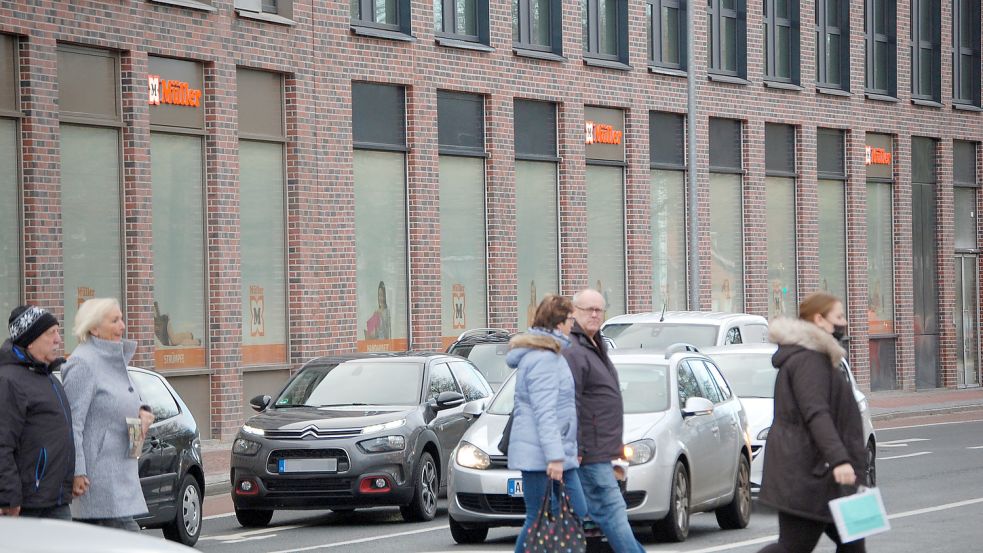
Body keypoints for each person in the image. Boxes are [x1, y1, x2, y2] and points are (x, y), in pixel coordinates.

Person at [757, 292, 867, 553]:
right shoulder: (809, 360)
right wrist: (840, 459)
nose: (844, 323)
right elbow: (816, 413)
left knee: (853, 544)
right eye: (839, 317)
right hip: (812, 475)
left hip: (827, 475)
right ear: (819, 320)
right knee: (793, 547)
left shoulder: (816, 358)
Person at [563, 289, 646, 553]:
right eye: (589, 309)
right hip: (589, 452)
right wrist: (576, 448)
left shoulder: (594, 343)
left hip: (599, 450)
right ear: (574, 311)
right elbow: (570, 401)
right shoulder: (574, 350)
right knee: (612, 514)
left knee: (601, 517)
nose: (595, 314)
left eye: (599, 309)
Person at [62, 298, 154, 531]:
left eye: (121, 319)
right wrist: (77, 471)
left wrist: (143, 412)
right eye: (114, 320)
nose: (122, 326)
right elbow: (72, 423)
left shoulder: (113, 359)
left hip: (120, 476)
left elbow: (127, 398)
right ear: (93, 327)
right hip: (98, 482)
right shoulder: (83, 363)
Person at [507, 294, 587, 552]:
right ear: (558, 322)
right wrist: (555, 458)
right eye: (570, 320)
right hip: (544, 455)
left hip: (551, 452)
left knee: (561, 514)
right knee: (542, 517)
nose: (572, 326)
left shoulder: (547, 352)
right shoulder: (544, 358)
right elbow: (545, 412)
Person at [0, 305, 74, 520]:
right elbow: (3, 443)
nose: (58, 340)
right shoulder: (8, 380)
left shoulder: (49, 378)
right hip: (26, 506)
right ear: (30, 339)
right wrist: (8, 498)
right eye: (51, 333)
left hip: (56, 499)